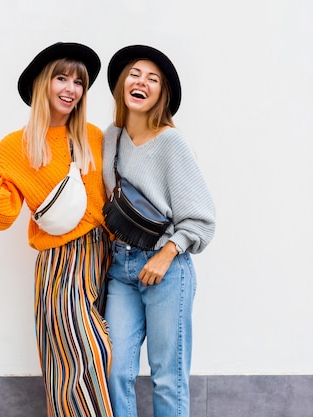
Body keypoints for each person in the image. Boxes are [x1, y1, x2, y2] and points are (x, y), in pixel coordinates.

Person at [0, 42, 114, 417]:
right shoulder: (17, 146)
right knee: (78, 360)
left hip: (105, 260)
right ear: (43, 84)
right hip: (60, 265)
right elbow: (1, 218)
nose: (70, 88)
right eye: (61, 78)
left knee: (102, 358)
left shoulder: (93, 137)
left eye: (78, 81)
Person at [102, 45, 216, 417]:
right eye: (135, 74)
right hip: (121, 269)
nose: (141, 82)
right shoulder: (111, 138)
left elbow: (201, 219)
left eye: (153, 79)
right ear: (121, 84)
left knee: (168, 377)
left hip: (166, 268)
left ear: (161, 95)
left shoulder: (171, 142)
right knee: (115, 371)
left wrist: (167, 254)